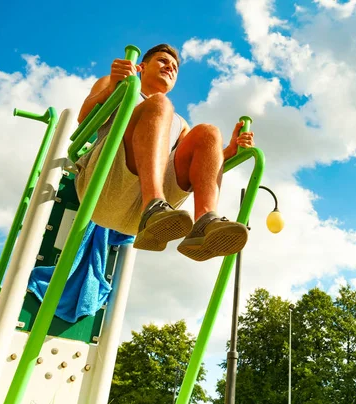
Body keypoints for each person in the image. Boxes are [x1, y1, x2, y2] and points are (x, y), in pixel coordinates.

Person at [75, 43, 255, 261]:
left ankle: (205, 222)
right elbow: (83, 121)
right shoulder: (119, 84)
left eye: (174, 67)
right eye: (162, 61)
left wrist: (228, 151)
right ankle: (153, 207)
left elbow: (192, 169)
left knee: (209, 133)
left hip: (153, 213)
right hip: (104, 188)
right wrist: (113, 88)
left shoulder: (179, 123)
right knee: (160, 104)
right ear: (141, 66)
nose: (170, 67)